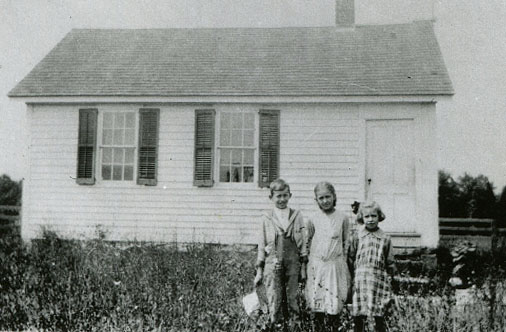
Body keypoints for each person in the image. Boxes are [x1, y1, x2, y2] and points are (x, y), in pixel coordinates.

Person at [254, 178, 308, 331]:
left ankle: (294, 325)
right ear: (271, 197)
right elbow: (261, 244)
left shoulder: (296, 216)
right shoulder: (266, 218)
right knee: (274, 295)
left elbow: (302, 242)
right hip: (273, 261)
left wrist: (303, 267)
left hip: (293, 261)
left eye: (285, 195)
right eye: (278, 196)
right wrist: (259, 270)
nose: (282, 199)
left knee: (292, 296)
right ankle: (276, 324)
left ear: (290, 195)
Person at [304, 182, 351, 332]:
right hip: (317, 264)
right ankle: (317, 328)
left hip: (334, 264)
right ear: (316, 200)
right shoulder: (312, 218)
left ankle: (333, 327)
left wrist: (345, 264)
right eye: (321, 198)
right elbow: (308, 241)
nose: (325, 201)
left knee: (333, 300)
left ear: (334, 196)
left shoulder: (342, 217)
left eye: (328, 197)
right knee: (317, 298)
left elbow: (346, 243)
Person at [347, 201, 396, 332]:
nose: (370, 220)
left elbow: (389, 261)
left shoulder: (385, 238)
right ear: (361, 218)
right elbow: (351, 257)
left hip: (378, 279)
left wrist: (391, 278)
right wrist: (353, 275)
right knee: (360, 313)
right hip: (360, 279)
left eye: (373, 216)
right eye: (367, 216)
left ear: (379, 216)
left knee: (379, 313)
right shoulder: (357, 236)